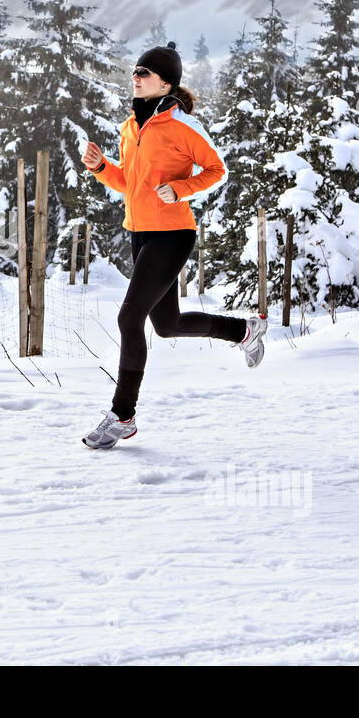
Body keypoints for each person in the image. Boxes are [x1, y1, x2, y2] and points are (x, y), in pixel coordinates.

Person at [79, 41, 268, 450]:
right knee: (166, 326)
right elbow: (129, 183)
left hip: (173, 234)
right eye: (135, 71)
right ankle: (245, 330)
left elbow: (217, 169)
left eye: (144, 73)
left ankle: (122, 416)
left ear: (165, 84)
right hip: (141, 231)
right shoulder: (131, 127)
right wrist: (100, 168)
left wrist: (180, 190)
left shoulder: (184, 126)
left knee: (130, 320)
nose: (136, 77)